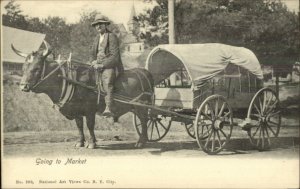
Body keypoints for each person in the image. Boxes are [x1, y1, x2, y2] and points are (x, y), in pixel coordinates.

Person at [90, 14, 124, 117]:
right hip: (97, 65)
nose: (98, 26)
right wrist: (93, 61)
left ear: (105, 25)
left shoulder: (112, 36)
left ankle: (108, 107)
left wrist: (102, 65)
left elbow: (115, 57)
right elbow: (92, 54)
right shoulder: (96, 38)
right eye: (96, 25)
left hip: (110, 67)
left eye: (100, 24)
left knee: (107, 81)